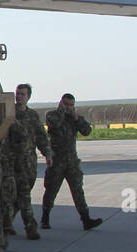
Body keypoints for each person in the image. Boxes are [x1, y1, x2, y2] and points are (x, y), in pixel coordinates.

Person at [41, 93, 103, 231]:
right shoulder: (52, 115)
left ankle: (86, 219)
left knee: (78, 190)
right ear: (61, 103)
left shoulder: (73, 118)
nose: (69, 107)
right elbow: (55, 124)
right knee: (51, 190)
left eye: (71, 105)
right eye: (66, 104)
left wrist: (76, 119)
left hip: (71, 161)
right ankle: (45, 218)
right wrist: (62, 111)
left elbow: (87, 131)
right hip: (57, 161)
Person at [10, 83, 51, 239]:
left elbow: (41, 136)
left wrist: (47, 153)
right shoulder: (9, 113)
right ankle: (30, 227)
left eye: (22, 94)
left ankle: (8, 222)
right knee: (21, 194)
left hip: (29, 162)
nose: (19, 97)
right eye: (18, 94)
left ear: (28, 97)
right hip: (12, 161)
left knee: (23, 193)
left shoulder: (32, 116)